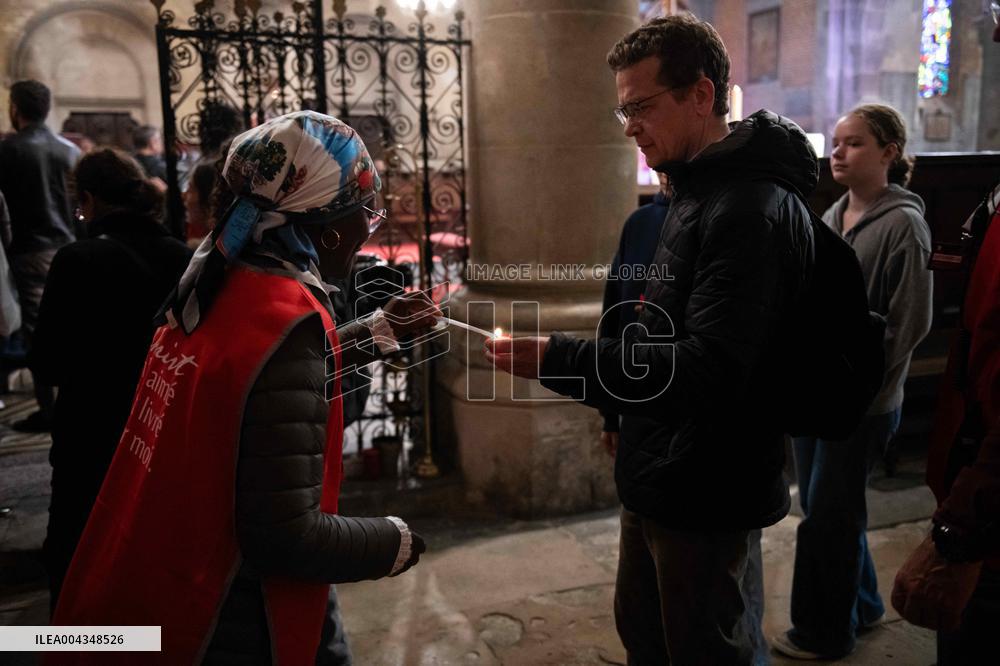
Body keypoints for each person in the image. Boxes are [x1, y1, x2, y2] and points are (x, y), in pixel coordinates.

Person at [50, 111, 441, 664]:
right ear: (328, 228)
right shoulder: (288, 314)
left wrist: (378, 332)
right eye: (369, 215)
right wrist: (393, 541)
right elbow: (282, 536)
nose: (367, 231)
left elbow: (254, 387)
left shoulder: (224, 280)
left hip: (161, 556)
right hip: (229, 607)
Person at [487, 15, 816, 664]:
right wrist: (617, 410)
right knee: (646, 634)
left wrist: (560, 359)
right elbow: (651, 325)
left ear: (700, 94)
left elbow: (707, 371)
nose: (630, 125)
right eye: (622, 112)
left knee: (704, 649)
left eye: (640, 106)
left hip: (708, 484)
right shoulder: (695, 194)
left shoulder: (748, 209)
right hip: (663, 468)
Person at [772, 104, 933, 660]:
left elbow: (909, 323)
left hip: (861, 402)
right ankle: (861, 606)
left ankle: (822, 632)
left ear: (889, 152)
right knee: (830, 511)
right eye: (836, 143)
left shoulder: (904, 225)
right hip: (816, 394)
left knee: (827, 519)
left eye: (855, 143)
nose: (837, 152)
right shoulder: (830, 216)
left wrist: (860, 388)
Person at [29, 148, 193, 611]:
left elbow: (47, 363)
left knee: (77, 556)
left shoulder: (76, 259)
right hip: (159, 431)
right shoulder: (181, 258)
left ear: (87, 199)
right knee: (151, 558)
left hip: (91, 434)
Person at [0, 79, 80, 432]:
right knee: (72, 326)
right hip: (68, 246)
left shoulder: (7, 150)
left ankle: (49, 410)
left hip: (28, 249)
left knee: (37, 332)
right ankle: (75, 401)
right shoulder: (69, 151)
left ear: (15, 108)